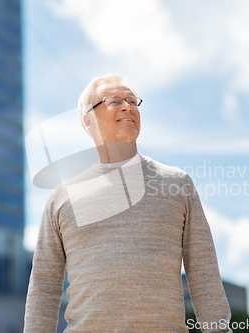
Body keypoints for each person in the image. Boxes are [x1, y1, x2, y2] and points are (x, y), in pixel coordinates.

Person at [24, 74, 232, 333]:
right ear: (88, 121)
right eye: (114, 101)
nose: (128, 107)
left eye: (132, 101)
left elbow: (204, 273)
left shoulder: (177, 183)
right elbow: (44, 284)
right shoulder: (61, 195)